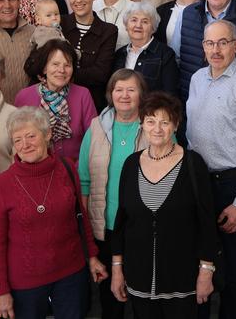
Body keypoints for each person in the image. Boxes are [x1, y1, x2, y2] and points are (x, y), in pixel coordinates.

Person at [0, 107, 108, 319]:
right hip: (25, 282)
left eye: (31, 136)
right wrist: (0, 290)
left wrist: (92, 256)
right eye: (17, 140)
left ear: (47, 134)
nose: (25, 145)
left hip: (71, 273)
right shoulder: (3, 184)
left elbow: (81, 217)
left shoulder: (67, 169)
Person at [111, 91, 218, 319]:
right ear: (142, 124)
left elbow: (207, 223)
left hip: (181, 281)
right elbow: (121, 222)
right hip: (138, 279)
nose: (157, 129)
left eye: (164, 122)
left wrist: (206, 271)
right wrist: (117, 269)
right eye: (150, 121)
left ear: (176, 125)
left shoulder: (193, 164)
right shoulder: (131, 164)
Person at [185, 20, 236, 319]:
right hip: (197, 180)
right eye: (210, 43)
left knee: (227, 269)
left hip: (229, 182)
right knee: (199, 261)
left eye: (223, 42)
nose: (216, 49)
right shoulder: (197, 79)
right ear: (203, 47)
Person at [78, 69, 150, 319]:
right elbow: (84, 180)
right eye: (119, 89)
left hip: (143, 229)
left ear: (141, 94)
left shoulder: (155, 127)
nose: (125, 95)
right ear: (110, 94)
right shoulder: (96, 127)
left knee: (144, 299)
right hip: (105, 227)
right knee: (110, 302)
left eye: (131, 89)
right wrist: (86, 226)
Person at [15, 39, 97, 161]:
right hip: (36, 171)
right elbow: (17, 141)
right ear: (44, 68)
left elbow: (93, 138)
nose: (62, 70)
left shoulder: (82, 94)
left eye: (67, 65)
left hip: (74, 171)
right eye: (55, 64)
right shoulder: (24, 96)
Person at [60, 0, 118, 112]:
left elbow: (100, 74)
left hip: (90, 105)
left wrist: (60, 74)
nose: (78, 0)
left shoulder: (108, 31)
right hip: (56, 104)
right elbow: (38, 65)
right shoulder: (59, 23)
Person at [113, 2, 179, 96]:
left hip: (150, 109)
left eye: (145, 21)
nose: (138, 25)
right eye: (134, 20)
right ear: (126, 26)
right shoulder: (119, 54)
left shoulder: (165, 54)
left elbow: (170, 95)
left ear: (153, 28)